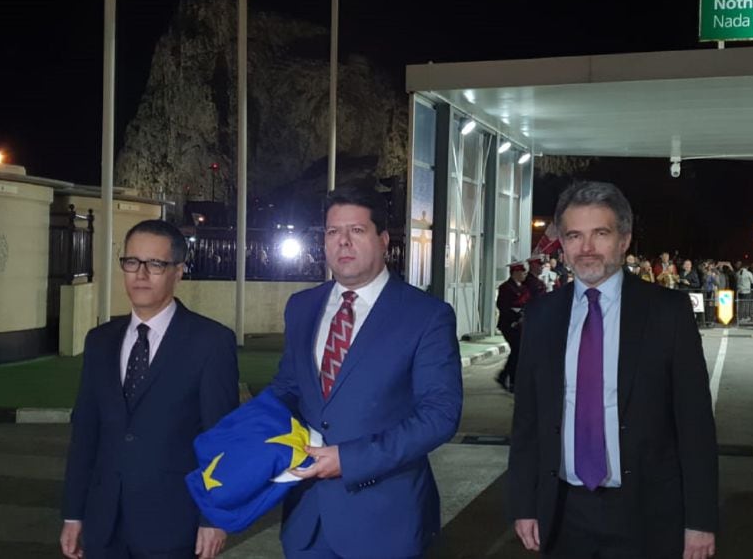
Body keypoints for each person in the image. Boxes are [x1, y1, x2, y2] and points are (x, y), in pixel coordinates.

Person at [507, 181, 718, 559]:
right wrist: (524, 504)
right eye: (574, 235)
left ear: (624, 240)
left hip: (646, 514)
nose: (586, 248)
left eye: (599, 234)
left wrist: (700, 519)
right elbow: (528, 420)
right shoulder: (542, 315)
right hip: (563, 512)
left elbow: (695, 422)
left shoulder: (667, 312)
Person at [267, 185, 463, 558]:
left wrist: (350, 460)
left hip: (386, 520)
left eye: (356, 231)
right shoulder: (301, 307)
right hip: (307, 521)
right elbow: (287, 390)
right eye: (332, 232)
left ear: (383, 239)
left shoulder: (426, 316)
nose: (343, 242)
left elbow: (440, 415)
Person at [61, 220, 239, 559]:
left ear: (178, 271)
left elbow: (221, 439)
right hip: (104, 523)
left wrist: (213, 518)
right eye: (132, 262)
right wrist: (74, 513)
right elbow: (86, 433)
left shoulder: (210, 342)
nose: (141, 274)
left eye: (155, 264)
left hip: (174, 523)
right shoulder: (100, 341)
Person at [496, 262, 531, 392]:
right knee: (517, 350)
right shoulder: (505, 287)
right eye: (522, 272)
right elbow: (502, 305)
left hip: (521, 323)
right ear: (515, 273)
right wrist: (515, 316)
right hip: (509, 324)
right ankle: (511, 379)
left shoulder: (524, 287)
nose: (524, 275)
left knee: (518, 351)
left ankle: (505, 376)